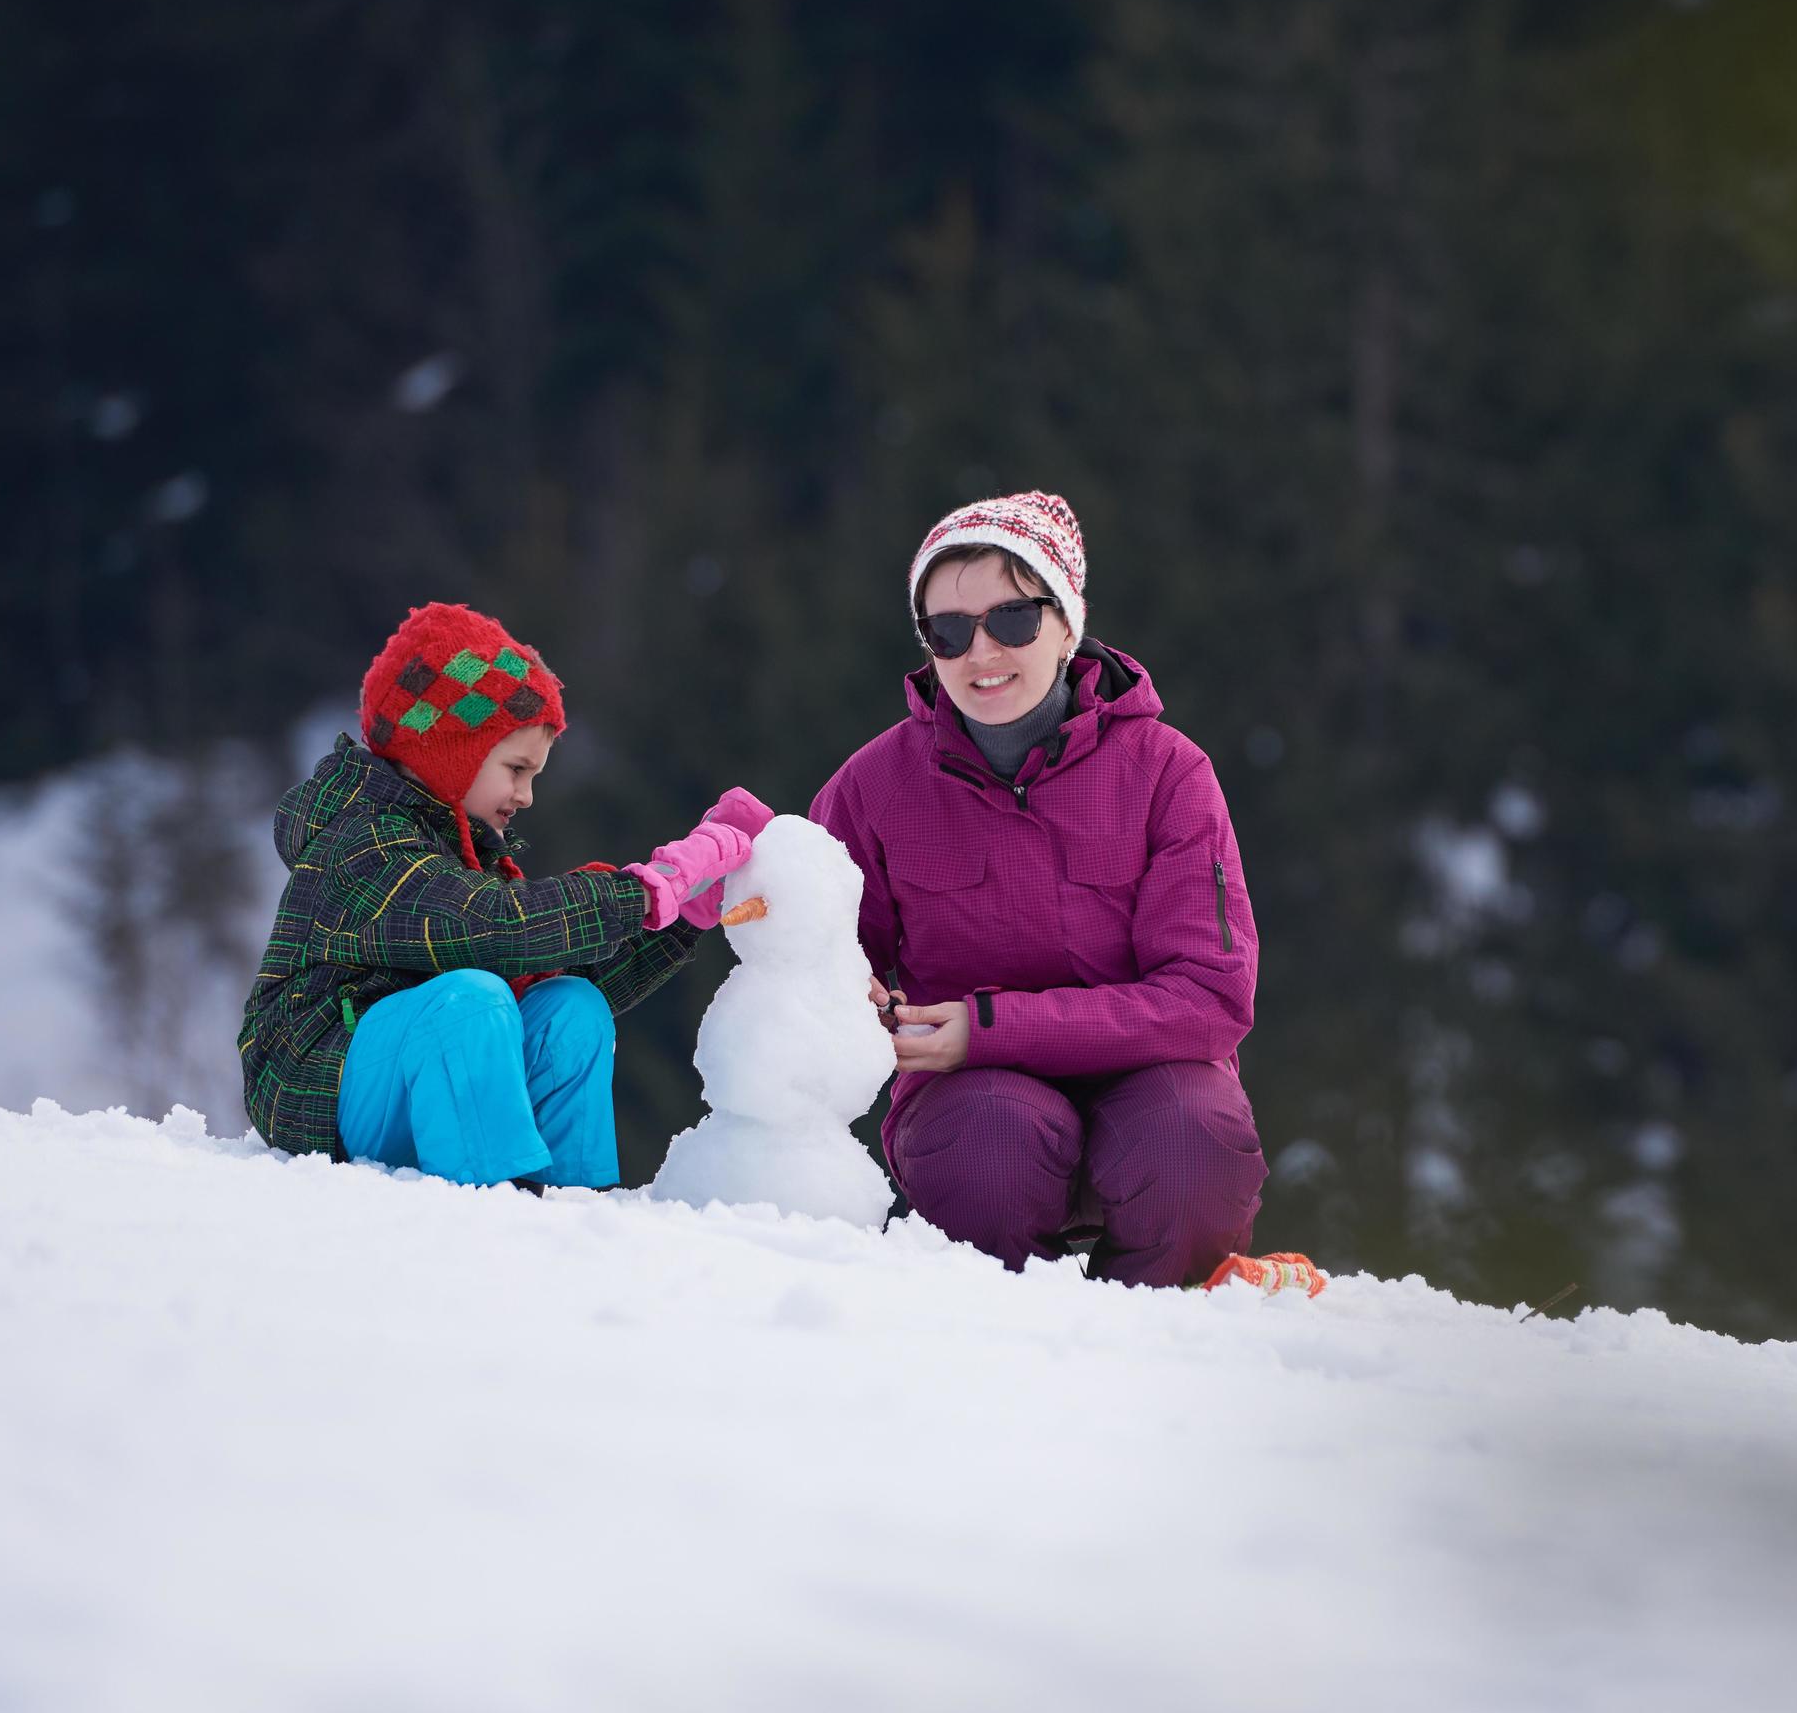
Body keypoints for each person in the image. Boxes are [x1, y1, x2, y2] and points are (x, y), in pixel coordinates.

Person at [811, 492, 1318, 1294]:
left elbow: (1209, 998)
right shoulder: (873, 786)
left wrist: (990, 1026)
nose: (981, 653)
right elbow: (824, 966)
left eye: (1011, 620)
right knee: (992, 1146)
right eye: (947, 631)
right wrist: (863, 1002)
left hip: (1154, 1080)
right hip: (969, 1097)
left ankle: (1161, 1330)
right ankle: (1003, 1345)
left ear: (1066, 624)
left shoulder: (1167, 771)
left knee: (1190, 1150)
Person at [239, 600, 773, 1188]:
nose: (526, 795)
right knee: (470, 1000)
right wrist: (646, 889)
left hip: (422, 1078)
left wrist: (682, 913)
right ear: (449, 748)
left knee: (572, 1008)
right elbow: (496, 927)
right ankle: (499, 1211)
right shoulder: (360, 842)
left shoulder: (467, 849)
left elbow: (555, 967)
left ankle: (574, 1210)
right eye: (516, 768)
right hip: (320, 1084)